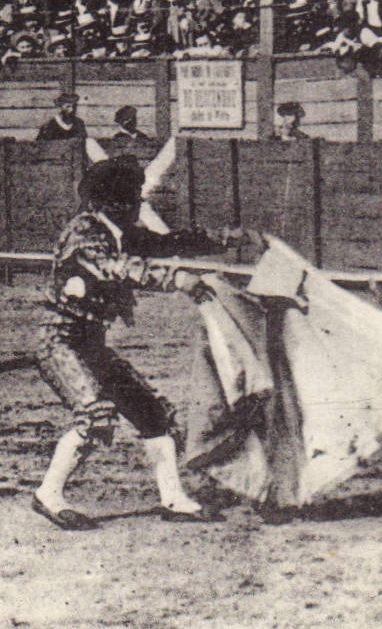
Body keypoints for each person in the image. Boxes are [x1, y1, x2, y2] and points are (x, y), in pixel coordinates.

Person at [31, 156, 246, 530]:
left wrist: (226, 239)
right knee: (96, 416)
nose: (136, 207)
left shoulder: (116, 231)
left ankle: (173, 498)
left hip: (89, 343)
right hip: (60, 341)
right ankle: (48, 494)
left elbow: (166, 243)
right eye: (131, 200)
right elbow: (116, 268)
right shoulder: (84, 233)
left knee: (152, 415)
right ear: (112, 203)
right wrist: (176, 281)